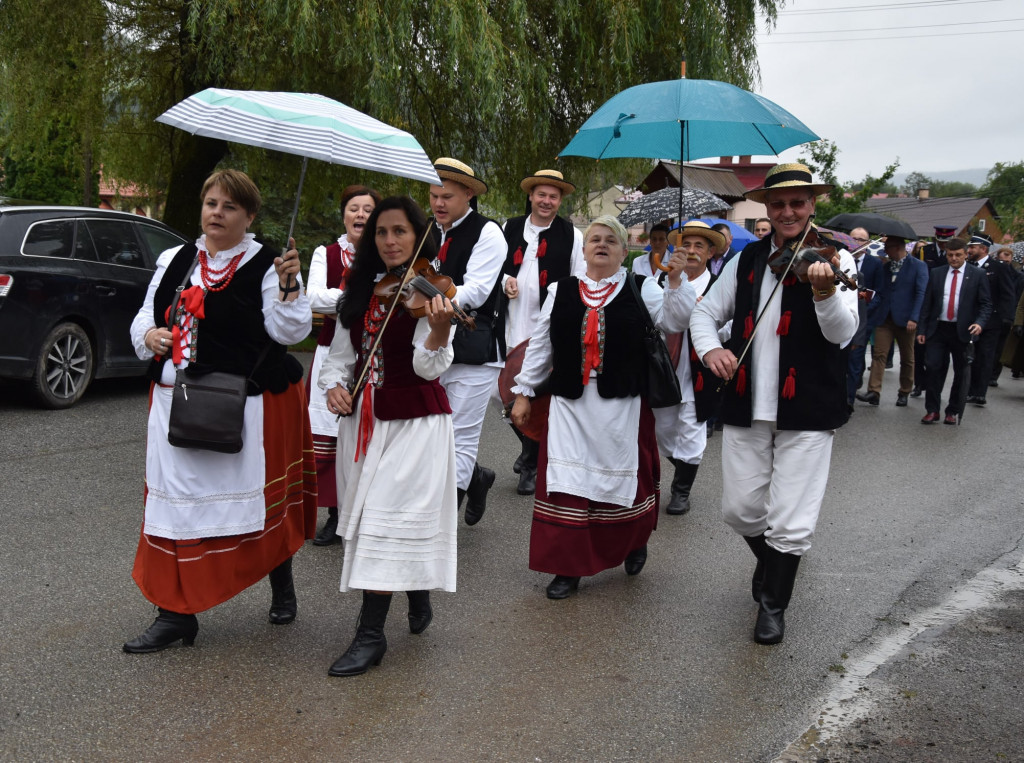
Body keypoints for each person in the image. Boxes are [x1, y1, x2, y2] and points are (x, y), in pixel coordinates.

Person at [124, 169, 317, 653]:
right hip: (175, 402)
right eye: (211, 202)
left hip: (242, 406)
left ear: (249, 216)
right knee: (173, 512)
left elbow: (290, 332)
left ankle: (281, 582)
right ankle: (175, 615)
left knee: (254, 506)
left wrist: (291, 285)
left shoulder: (272, 264)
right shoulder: (176, 258)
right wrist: (150, 337)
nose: (216, 212)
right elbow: (145, 317)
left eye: (229, 206)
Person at [689, 163, 858, 645]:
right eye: (778, 203)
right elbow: (705, 312)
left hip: (808, 403)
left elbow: (843, 334)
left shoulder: (837, 259)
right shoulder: (747, 260)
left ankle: (772, 604)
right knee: (740, 510)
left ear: (811, 206)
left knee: (791, 517)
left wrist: (825, 292)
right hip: (746, 402)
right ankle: (776, 566)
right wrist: (710, 349)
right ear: (766, 206)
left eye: (797, 203)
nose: (787, 211)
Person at [509, 215, 696, 599]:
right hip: (569, 405)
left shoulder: (642, 287)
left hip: (622, 405)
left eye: (611, 240)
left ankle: (633, 540)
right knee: (567, 485)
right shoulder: (561, 290)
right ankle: (568, 567)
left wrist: (676, 280)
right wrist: (524, 392)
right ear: (584, 248)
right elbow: (541, 345)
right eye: (595, 238)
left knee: (623, 481)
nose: (602, 244)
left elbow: (676, 321)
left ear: (624, 252)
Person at [318, 196, 458, 677]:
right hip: (365, 421)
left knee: (382, 519)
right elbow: (341, 356)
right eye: (381, 232)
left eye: (400, 231)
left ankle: (370, 635)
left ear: (418, 235)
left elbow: (426, 367)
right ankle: (416, 592)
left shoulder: (432, 293)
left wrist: (439, 331)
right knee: (379, 518)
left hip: (415, 423)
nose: (390, 241)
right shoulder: (358, 292)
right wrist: (335, 386)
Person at [428, 158, 506, 526]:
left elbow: (476, 288)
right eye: (432, 196)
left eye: (446, 196)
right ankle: (477, 478)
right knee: (429, 434)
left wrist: (438, 300)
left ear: (469, 194)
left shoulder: (488, 232)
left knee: (458, 438)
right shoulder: (426, 230)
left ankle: (439, 527)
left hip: (474, 350)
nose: (438, 203)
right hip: (429, 345)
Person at [305, 185, 381, 546]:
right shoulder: (328, 252)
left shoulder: (385, 256)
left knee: (366, 436)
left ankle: (365, 511)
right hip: (330, 355)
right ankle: (335, 516)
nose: (361, 215)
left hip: (371, 358)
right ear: (344, 215)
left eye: (368, 209)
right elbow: (314, 298)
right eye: (354, 209)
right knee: (325, 439)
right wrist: (358, 297)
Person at [501, 169, 584, 496]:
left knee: (535, 391)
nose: (546, 201)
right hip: (510, 320)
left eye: (553, 196)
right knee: (503, 391)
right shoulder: (508, 227)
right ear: (531, 196)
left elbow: (578, 279)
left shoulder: (572, 235)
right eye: (541, 195)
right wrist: (504, 278)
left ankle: (532, 463)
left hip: (548, 325)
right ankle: (530, 447)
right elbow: (494, 265)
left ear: (560, 200)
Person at [654, 221, 726, 515]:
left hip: (698, 370)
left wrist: (706, 320)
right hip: (665, 367)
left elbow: (731, 326)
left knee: (693, 431)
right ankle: (683, 468)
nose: (692, 252)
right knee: (663, 431)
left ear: (710, 253)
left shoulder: (720, 286)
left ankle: (681, 491)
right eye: (687, 245)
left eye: (700, 246)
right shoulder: (663, 280)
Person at [917, 238, 992, 425]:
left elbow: (986, 304)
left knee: (961, 371)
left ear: (966, 254)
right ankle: (932, 410)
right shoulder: (937, 273)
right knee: (933, 367)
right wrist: (922, 329)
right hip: (938, 328)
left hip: (963, 330)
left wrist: (980, 323)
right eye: (950, 255)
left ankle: (952, 410)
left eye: (958, 255)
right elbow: (927, 303)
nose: (954, 258)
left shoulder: (977, 275)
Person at [856, 235, 928, 407]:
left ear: (897, 248)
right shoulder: (886, 267)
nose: (885, 251)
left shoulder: (918, 266)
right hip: (885, 318)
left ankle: (904, 390)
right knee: (879, 354)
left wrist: (914, 317)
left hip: (906, 319)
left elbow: (920, 293)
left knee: (907, 357)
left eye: (887, 248)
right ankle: (874, 391)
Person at [965, 233, 1018, 402]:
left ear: (983, 249)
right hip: (971, 319)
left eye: (973, 247)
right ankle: (969, 389)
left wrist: (1007, 319)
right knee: (970, 356)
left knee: (986, 356)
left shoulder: (999, 267)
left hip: (992, 320)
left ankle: (980, 393)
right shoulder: (967, 266)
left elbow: (1008, 294)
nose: (969, 250)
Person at [846, 227, 884, 410]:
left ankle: (849, 400)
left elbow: (879, 292)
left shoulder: (875, 264)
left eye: (861, 239)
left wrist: (866, 309)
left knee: (855, 361)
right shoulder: (841, 262)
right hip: (844, 317)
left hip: (864, 318)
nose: (856, 242)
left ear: (868, 243)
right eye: (853, 238)